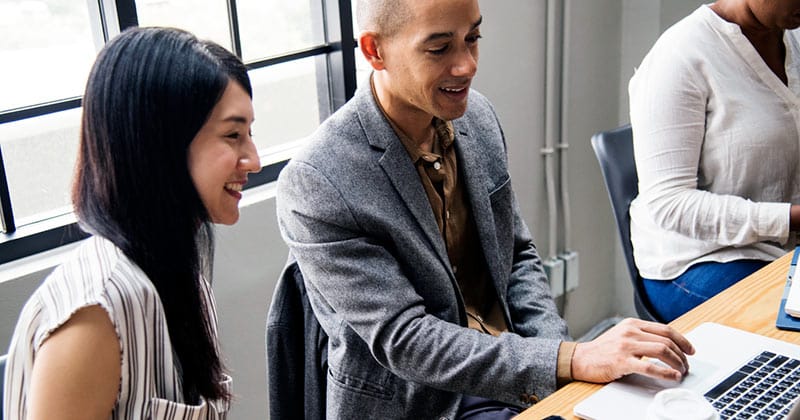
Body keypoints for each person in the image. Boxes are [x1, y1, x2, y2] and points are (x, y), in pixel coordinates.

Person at [274, 0, 695, 418]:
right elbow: (406, 339)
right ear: (374, 51)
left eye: (472, 38)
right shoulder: (318, 179)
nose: (467, 65)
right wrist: (569, 361)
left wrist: (558, 367)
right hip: (423, 401)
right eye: (439, 49)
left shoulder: (478, 118)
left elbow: (516, 257)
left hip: (516, 369)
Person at [3, 27, 260, 419]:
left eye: (249, 134)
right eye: (233, 135)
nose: (254, 160)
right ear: (160, 146)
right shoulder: (97, 311)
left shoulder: (176, 274)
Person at [629, 0, 800, 322]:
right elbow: (670, 204)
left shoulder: (792, 37)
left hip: (785, 247)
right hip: (703, 258)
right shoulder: (680, 56)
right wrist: (791, 218)